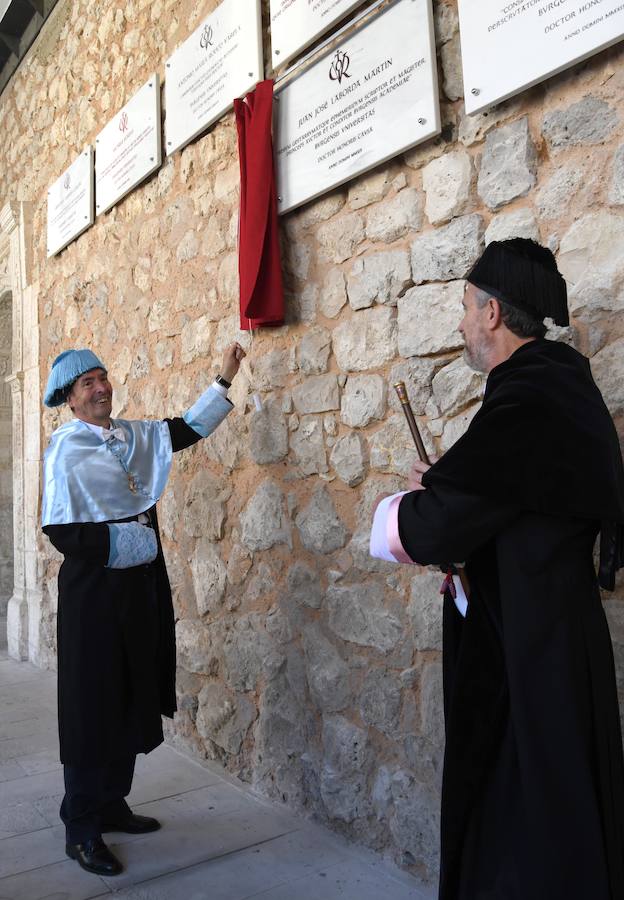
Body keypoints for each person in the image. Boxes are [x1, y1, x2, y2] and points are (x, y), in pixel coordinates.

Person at [370, 239, 624, 900]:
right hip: (552, 637)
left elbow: (449, 520)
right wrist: (452, 485)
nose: (458, 322)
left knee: (534, 824)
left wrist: (410, 509)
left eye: (464, 307)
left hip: (533, 653)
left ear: (491, 313)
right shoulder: (558, 387)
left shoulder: (529, 400)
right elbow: (510, 495)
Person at [41, 342, 246, 876]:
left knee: (132, 689)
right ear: (69, 398)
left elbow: (185, 430)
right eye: (87, 383)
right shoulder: (64, 450)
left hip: (139, 592)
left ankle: (112, 802)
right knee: (92, 704)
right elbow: (62, 529)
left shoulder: (133, 435)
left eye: (103, 377)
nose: (101, 387)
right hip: (93, 597)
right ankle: (81, 825)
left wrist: (223, 380)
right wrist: (121, 545)